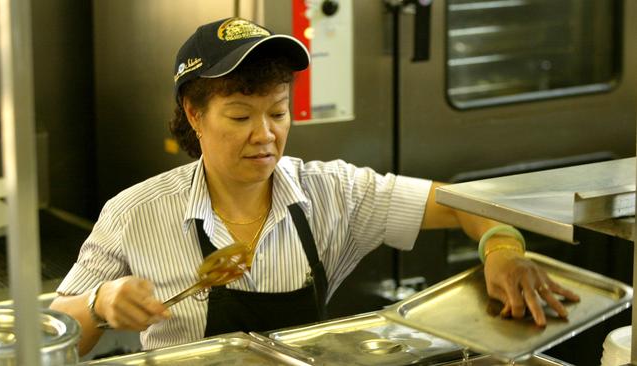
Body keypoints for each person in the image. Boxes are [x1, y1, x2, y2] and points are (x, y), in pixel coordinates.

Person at [50, 17, 579, 355]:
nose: (265, 135)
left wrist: (501, 248)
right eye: (239, 116)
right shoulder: (135, 212)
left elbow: (464, 202)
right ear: (193, 114)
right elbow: (53, 337)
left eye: (278, 112)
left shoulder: (333, 193)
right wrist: (99, 303)